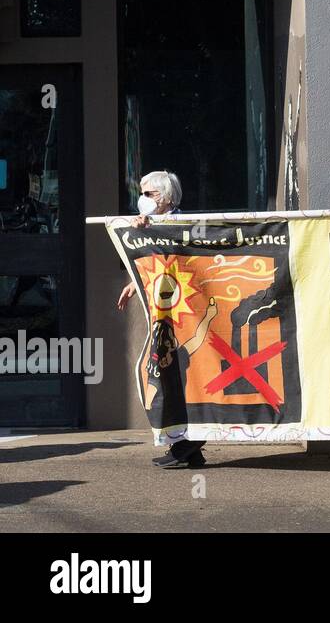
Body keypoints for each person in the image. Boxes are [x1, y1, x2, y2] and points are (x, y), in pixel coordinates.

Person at [114, 170, 208, 469]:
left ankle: (186, 443)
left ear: (166, 197)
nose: (144, 200)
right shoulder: (154, 225)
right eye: (141, 193)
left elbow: (180, 259)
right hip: (165, 311)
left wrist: (148, 232)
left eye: (150, 194)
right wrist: (133, 281)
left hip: (184, 312)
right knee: (167, 375)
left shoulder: (181, 224)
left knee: (177, 373)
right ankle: (187, 448)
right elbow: (153, 261)